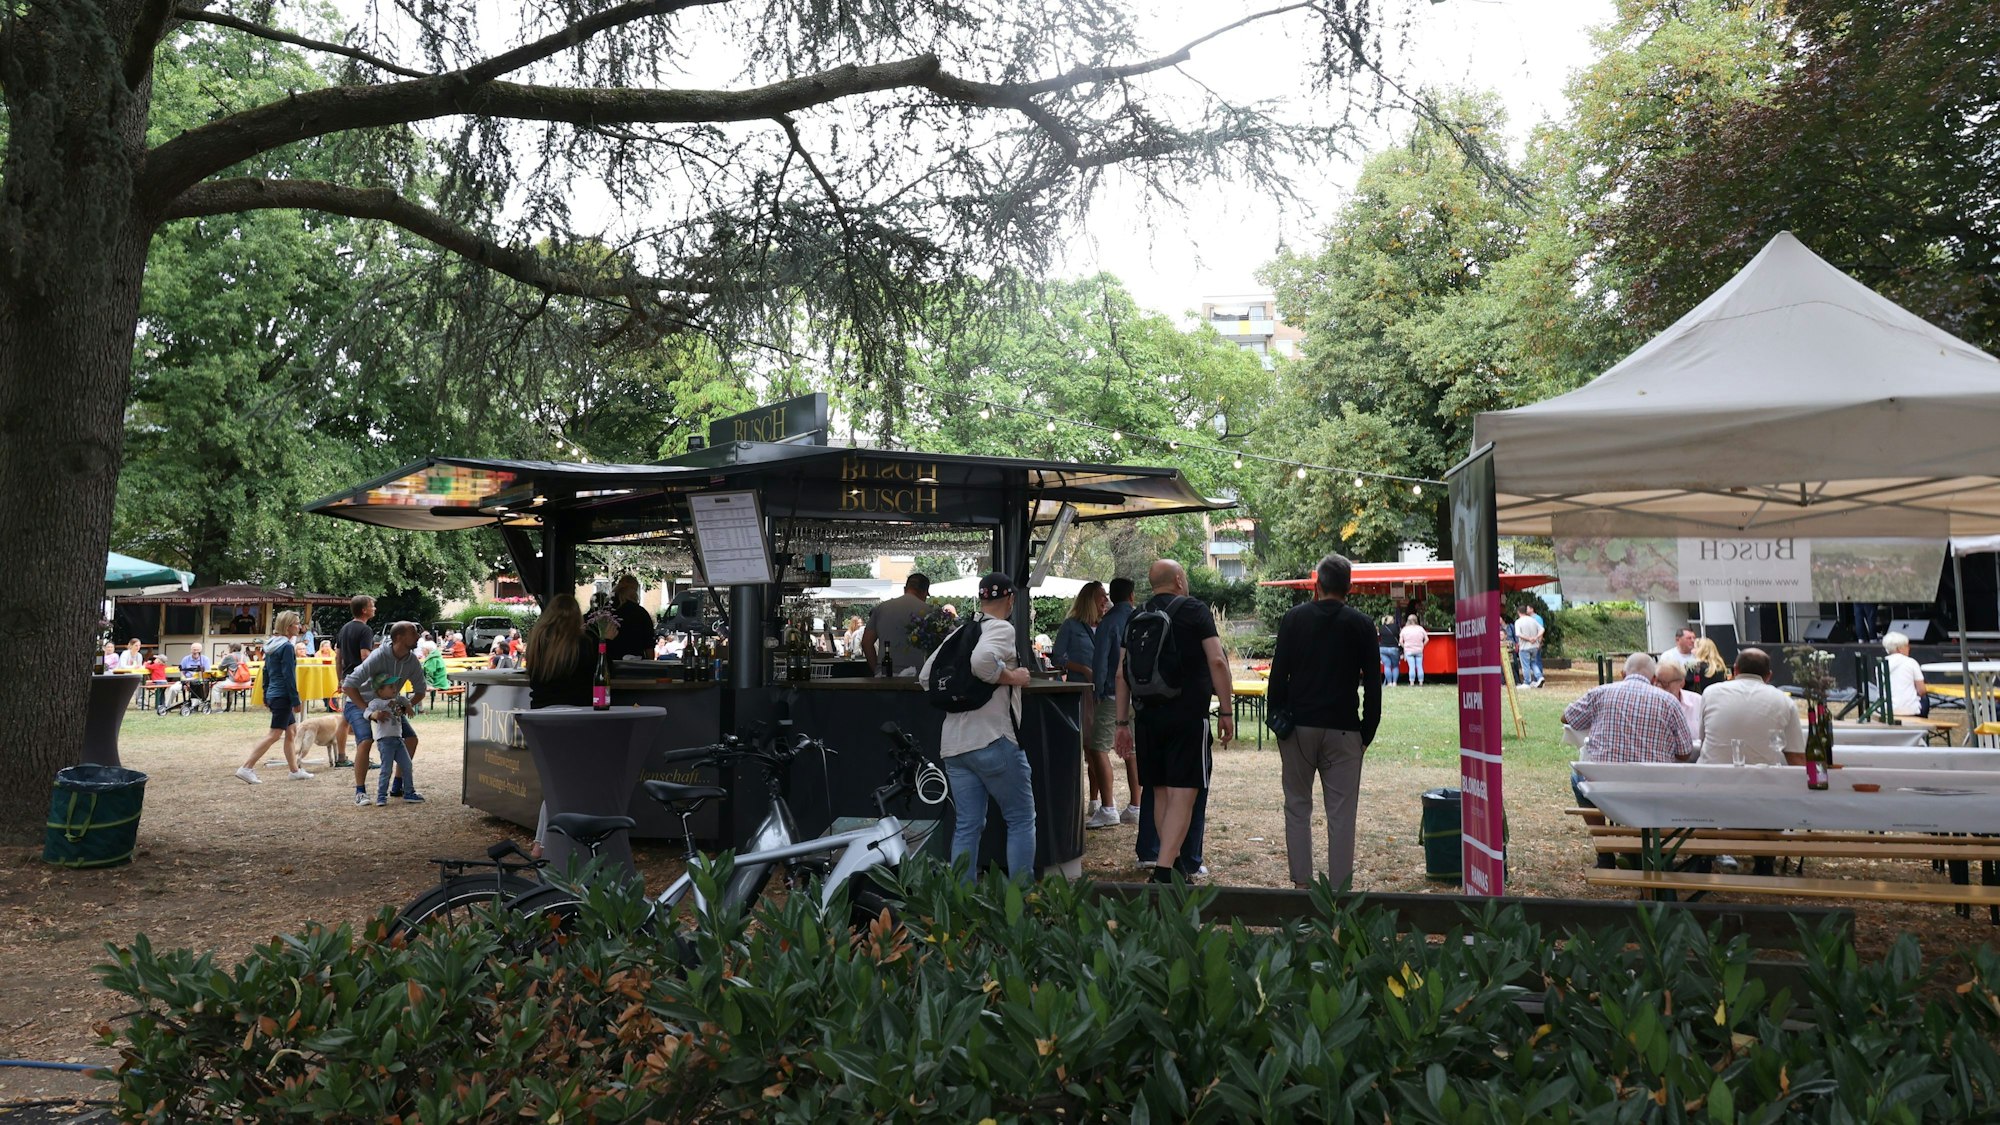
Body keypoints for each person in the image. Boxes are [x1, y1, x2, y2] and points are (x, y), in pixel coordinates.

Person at [1114, 560, 1233, 884]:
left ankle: (1174, 862)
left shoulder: (1136, 616)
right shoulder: (1195, 610)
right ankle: (1164, 872)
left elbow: (1121, 673)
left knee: (1162, 792)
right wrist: (1226, 710)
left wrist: (1122, 723)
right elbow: (1218, 661)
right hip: (1187, 718)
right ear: (1179, 580)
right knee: (1184, 794)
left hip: (1148, 717)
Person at [1267, 553, 1382, 889]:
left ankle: (1302, 885)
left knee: (1298, 806)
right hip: (1344, 728)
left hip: (1299, 726)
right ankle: (1338, 891)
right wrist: (1367, 731)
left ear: (1317, 584)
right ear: (1349, 587)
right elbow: (1373, 683)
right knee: (1342, 815)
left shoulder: (1294, 618)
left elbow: (1278, 675)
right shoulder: (1361, 624)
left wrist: (1278, 720)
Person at [919, 573, 1036, 880]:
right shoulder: (1000, 627)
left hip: (955, 745)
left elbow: (924, 676)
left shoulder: (960, 631)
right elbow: (982, 662)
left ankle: (961, 905)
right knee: (1021, 819)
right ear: (1010, 599)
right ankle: (1019, 907)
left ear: (982, 599)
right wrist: (1014, 677)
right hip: (993, 738)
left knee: (968, 826)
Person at [1563, 652, 1694, 780]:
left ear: (1622, 674)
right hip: (1654, 785)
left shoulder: (1600, 693)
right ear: (1654, 678)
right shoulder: (1670, 702)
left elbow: (1567, 717)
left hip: (1603, 784)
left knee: (1577, 779)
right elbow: (1685, 753)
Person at [340, 621, 428, 807]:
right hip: (358, 702)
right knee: (365, 741)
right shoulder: (378, 656)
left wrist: (405, 706)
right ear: (399, 638)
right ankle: (360, 791)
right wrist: (367, 710)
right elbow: (348, 685)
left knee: (411, 739)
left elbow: (420, 690)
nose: (418, 636)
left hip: (389, 705)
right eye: (413, 633)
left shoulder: (411, 660)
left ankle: (397, 785)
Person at [1055, 582, 1119, 829]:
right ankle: (1097, 801)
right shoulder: (1071, 626)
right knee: (1089, 749)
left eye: (1106, 596)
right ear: (1089, 600)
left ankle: (1097, 801)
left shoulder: (1107, 626)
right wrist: (1083, 669)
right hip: (1081, 693)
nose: (1105, 600)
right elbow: (1058, 657)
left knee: (1097, 749)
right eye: (1101, 596)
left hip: (1102, 695)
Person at [237, 611, 312, 783]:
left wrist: (265, 692)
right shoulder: (285, 647)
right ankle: (246, 767)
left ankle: (294, 771)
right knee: (275, 734)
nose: (299, 627)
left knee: (291, 732)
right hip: (282, 695)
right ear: (288, 627)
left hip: (273, 693)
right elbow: (288, 675)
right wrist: (295, 699)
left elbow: (266, 671)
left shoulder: (271, 644)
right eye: (296, 623)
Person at [1696, 648, 1804, 766]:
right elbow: (1796, 757)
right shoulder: (1784, 701)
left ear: (1735, 670)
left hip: (1710, 777)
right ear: (1769, 676)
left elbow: (1703, 739)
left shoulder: (1710, 693)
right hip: (1763, 779)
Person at [1094, 577, 1142, 825]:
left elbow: (1101, 660)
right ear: (1132, 596)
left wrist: (1098, 691)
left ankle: (1108, 807)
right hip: (1139, 693)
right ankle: (1136, 805)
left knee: (1097, 748)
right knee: (1132, 751)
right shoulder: (1142, 618)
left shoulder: (1109, 622)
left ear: (1112, 596)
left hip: (1113, 693)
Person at [331, 595, 377, 770]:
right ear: (364, 610)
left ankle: (341, 757)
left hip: (348, 677)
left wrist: (340, 679)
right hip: (362, 680)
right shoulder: (365, 630)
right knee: (362, 717)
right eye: (372, 606)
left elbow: (338, 656)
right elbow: (365, 656)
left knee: (345, 719)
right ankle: (363, 758)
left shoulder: (344, 628)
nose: (374, 609)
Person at [862, 573, 932, 676]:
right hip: (917, 676)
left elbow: (866, 643)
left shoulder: (881, 608)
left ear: (905, 589)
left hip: (885, 674)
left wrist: (877, 670)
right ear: (925, 592)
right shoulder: (929, 611)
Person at [364, 683, 422, 804]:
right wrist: (374, 715)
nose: (394, 689)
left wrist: (409, 706)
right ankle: (381, 796)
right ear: (380, 691)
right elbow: (366, 712)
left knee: (407, 765)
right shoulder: (376, 703)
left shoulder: (398, 699)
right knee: (386, 769)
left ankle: (409, 792)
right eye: (390, 687)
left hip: (398, 739)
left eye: (395, 686)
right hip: (385, 741)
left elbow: (405, 700)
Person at [604, 574, 657, 661]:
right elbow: (649, 644)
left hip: (610, 658)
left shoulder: (606, 609)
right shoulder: (640, 613)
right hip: (635, 663)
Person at [1653, 662, 1703, 744]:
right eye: (1656, 682)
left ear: (1681, 683)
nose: (1659, 686)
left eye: (1665, 683)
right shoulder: (1650, 704)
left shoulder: (1697, 701)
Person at [1882, 631, 1928, 717]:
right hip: (1911, 710)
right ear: (1899, 648)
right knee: (1925, 698)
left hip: (1887, 709)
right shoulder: (1911, 662)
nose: (1909, 648)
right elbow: (1921, 691)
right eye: (1906, 646)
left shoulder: (1880, 664)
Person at [1514, 605, 1545, 688]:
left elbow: (1518, 634)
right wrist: (1536, 637)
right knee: (1533, 663)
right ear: (1526, 611)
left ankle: (1527, 682)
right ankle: (1539, 677)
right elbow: (1542, 629)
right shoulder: (1533, 620)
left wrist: (1528, 639)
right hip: (1534, 646)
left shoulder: (1518, 621)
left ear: (1518, 612)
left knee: (1525, 665)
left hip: (1524, 647)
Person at [1398, 614, 1428, 686]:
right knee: (1419, 666)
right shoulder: (1420, 628)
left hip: (1409, 650)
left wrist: (1404, 647)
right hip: (1419, 650)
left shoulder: (1405, 629)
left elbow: (1400, 641)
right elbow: (1427, 639)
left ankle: (1412, 682)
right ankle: (1421, 682)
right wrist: (1422, 645)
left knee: (1412, 667)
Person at [1376, 614, 1400, 687]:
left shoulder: (1381, 627)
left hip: (1383, 648)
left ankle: (1389, 682)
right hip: (1393, 648)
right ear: (1392, 620)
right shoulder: (1396, 627)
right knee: (1395, 666)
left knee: (1387, 666)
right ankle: (1394, 682)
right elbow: (1398, 635)